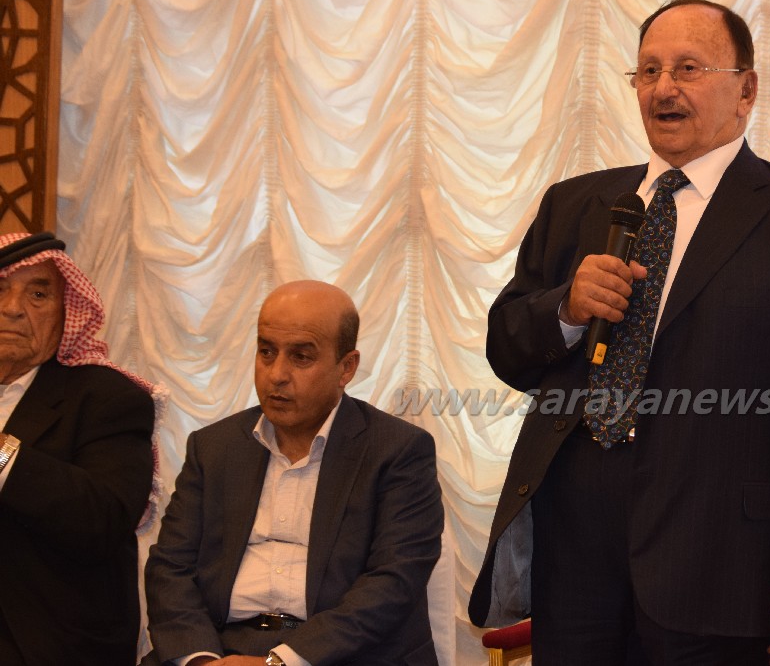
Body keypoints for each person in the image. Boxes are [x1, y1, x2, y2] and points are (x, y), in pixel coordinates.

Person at [469, 0, 770, 665]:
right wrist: (565, 309)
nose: (663, 88)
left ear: (746, 90)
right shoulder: (578, 203)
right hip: (574, 543)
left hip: (719, 554)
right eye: (648, 70)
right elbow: (507, 347)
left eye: (688, 68)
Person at [144, 280, 443, 666]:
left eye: (301, 357)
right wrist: (201, 659)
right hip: (220, 647)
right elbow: (171, 567)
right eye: (266, 352)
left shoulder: (397, 450)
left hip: (343, 654)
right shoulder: (214, 447)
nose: (276, 374)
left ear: (346, 367)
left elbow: (393, 581)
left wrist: (282, 662)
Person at [0, 231, 164, 666]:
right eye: (0, 290)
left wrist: (1, 454)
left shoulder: (107, 398)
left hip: (44, 642)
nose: (12, 308)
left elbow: (103, 520)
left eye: (38, 294)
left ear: (67, 311)